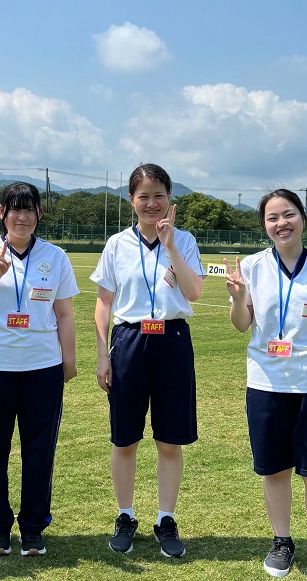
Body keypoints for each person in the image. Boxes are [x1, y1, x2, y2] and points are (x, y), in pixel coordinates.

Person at [223, 189, 307, 581]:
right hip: (266, 383)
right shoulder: (251, 267)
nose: (281, 223)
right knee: (275, 469)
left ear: (303, 217)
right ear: (264, 225)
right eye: (272, 217)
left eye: (289, 214)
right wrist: (238, 298)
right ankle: (282, 541)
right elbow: (241, 325)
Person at [91, 163, 205, 558]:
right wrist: (103, 355)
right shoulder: (116, 244)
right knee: (125, 438)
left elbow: (194, 292)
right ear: (131, 200)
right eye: (144, 196)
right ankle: (125, 515)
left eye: (159, 195)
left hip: (173, 340)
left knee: (169, 440)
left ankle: (165, 519)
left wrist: (171, 245)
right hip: (129, 340)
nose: (151, 203)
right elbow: (103, 303)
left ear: (169, 198)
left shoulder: (184, 240)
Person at [0, 181, 78, 557]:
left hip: (43, 368)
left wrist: (68, 361)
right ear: (2, 213)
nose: (22, 217)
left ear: (39, 214)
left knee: (39, 450)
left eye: (29, 209)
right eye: (15, 209)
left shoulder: (55, 256)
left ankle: (33, 527)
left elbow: (64, 314)